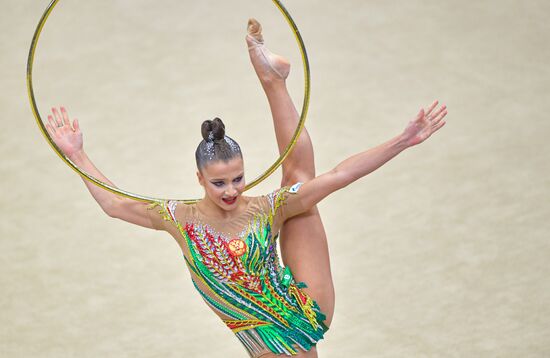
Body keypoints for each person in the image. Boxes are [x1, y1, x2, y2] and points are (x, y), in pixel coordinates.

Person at [44, 19, 447, 358]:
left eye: (237, 178)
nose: (231, 190)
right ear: (199, 178)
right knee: (297, 176)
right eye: (219, 182)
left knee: (301, 185)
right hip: (264, 333)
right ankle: (271, 79)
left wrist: (401, 141)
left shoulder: (264, 209)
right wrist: (77, 155)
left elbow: (340, 176)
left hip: (302, 313)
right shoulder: (177, 218)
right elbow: (114, 204)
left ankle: (272, 79)